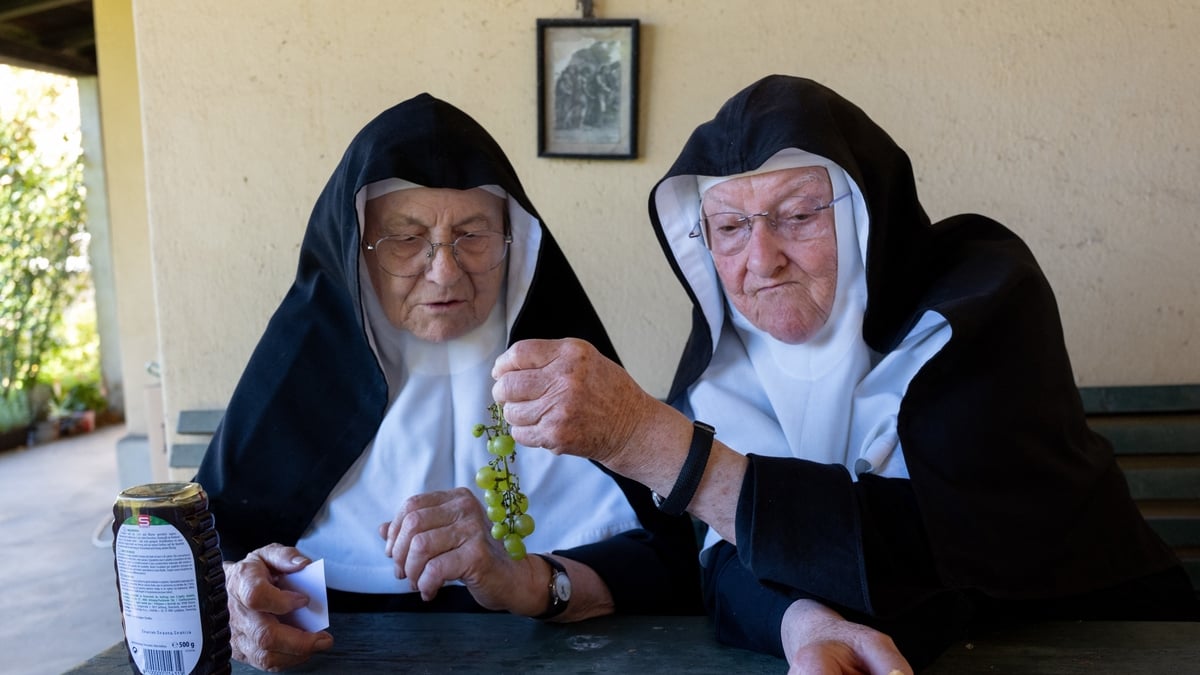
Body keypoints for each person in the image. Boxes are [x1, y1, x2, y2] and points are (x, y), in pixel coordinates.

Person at [491, 75, 1200, 672]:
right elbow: (720, 558)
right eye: (729, 228)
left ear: (865, 213)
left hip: (1101, 645)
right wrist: (802, 622)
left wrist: (654, 442)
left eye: (798, 214)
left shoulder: (985, 298)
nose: (760, 260)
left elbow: (938, 555)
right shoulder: (728, 363)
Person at [194, 94, 701, 671]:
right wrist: (231, 594)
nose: (444, 271)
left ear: (514, 242)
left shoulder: (571, 383)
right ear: (357, 253)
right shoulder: (305, 383)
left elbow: (673, 566)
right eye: (406, 239)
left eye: (473, 235)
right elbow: (204, 554)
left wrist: (531, 581)